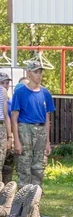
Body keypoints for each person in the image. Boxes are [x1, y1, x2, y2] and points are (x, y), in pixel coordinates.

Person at [8, 60, 55, 188]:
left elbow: (47, 118)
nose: (39, 75)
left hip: (40, 130)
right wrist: (16, 140)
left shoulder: (45, 93)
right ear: (28, 73)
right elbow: (14, 117)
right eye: (36, 72)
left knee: (38, 166)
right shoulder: (20, 92)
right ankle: (23, 195)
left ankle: (35, 193)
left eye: (40, 72)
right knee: (24, 163)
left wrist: (47, 141)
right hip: (25, 129)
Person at [0, 73, 12, 184]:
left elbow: (6, 116)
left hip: (2, 129)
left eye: (7, 83)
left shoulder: (4, 94)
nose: (5, 85)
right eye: (2, 83)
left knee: (2, 163)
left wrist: (10, 136)